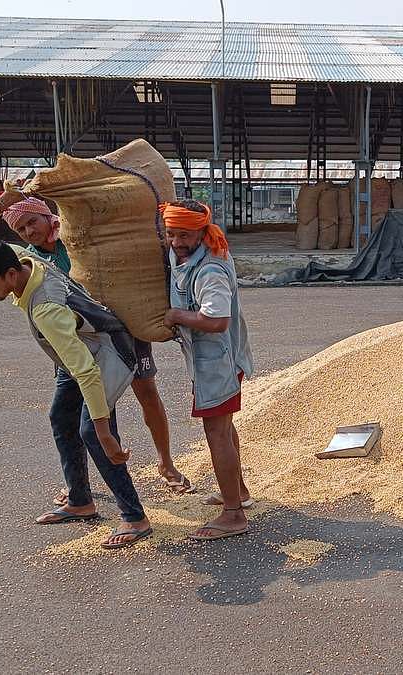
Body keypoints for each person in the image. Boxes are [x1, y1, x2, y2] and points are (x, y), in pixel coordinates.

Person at [0, 189, 191, 496]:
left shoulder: (73, 237)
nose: (29, 231)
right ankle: (82, 492)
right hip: (73, 341)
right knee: (74, 416)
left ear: (46, 214)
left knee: (143, 394)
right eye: (20, 229)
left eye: (32, 222)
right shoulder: (29, 258)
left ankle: (164, 464)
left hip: (115, 327)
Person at [0, 236, 152, 549]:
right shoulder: (21, 257)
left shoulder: (46, 308)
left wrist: (104, 432)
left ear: (10, 274)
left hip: (106, 353)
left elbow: (87, 371)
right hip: (77, 350)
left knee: (93, 433)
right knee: (61, 418)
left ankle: (134, 517)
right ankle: (80, 501)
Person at [159, 200, 255, 542]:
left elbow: (216, 320)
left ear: (201, 230)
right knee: (224, 428)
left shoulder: (210, 269)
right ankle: (238, 491)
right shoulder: (191, 252)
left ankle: (233, 514)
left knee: (216, 431)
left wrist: (175, 316)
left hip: (218, 362)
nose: (176, 242)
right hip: (216, 358)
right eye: (171, 234)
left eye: (184, 235)